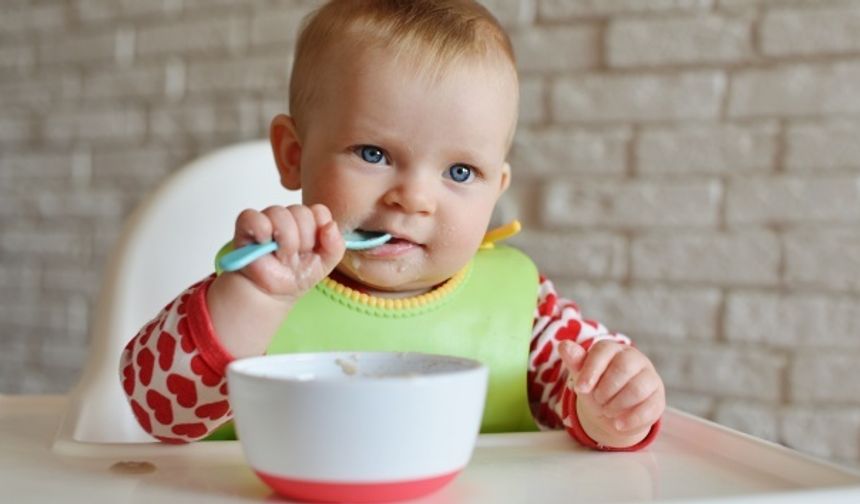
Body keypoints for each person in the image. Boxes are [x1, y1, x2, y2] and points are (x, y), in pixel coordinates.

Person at [120, 0, 665, 450]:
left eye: (459, 171)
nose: (415, 197)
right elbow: (156, 409)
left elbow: (586, 395)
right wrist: (253, 299)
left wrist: (612, 406)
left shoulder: (526, 311)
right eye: (374, 153)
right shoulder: (259, 283)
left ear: (496, 191)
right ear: (293, 155)